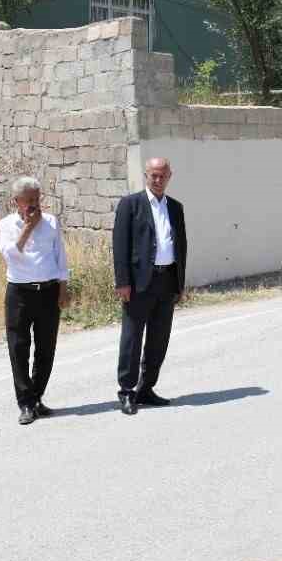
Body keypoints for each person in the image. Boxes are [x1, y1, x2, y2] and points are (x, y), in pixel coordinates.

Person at [111, 157, 188, 415]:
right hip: (138, 283)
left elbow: (181, 247)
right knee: (132, 338)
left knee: (159, 339)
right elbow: (120, 246)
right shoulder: (130, 205)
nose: (157, 180)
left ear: (169, 176)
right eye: (153, 175)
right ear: (146, 175)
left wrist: (180, 283)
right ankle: (127, 391)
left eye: (162, 176)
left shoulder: (176, 207)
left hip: (166, 281)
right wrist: (122, 282)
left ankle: (146, 388)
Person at [0, 176, 70, 426]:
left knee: (46, 348)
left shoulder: (51, 222)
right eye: (28, 201)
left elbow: (60, 256)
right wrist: (28, 227)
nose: (33, 205)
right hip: (19, 293)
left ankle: (37, 397)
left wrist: (63, 287)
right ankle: (25, 403)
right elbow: (11, 256)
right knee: (18, 349)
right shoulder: (6, 225)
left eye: (36, 200)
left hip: (48, 292)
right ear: (16, 202)